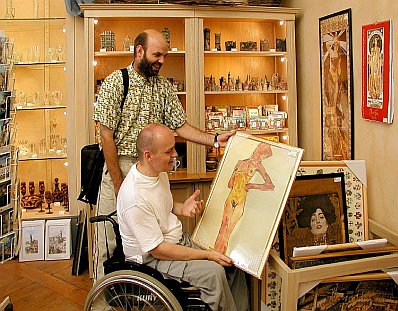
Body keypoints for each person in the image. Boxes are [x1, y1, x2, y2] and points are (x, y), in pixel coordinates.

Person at [93, 29, 235, 279]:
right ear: (139, 51)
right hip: (120, 164)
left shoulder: (164, 87)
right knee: (108, 242)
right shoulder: (116, 82)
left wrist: (213, 140)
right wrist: (118, 184)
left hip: (153, 170)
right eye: (157, 54)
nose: (161, 60)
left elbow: (181, 126)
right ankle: (103, 299)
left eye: (165, 56)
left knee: (154, 234)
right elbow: (106, 136)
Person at [117, 124, 249, 311]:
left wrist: (181, 207)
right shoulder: (134, 197)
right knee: (215, 272)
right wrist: (207, 255)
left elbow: (162, 206)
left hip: (177, 242)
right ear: (148, 155)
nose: (175, 155)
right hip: (153, 258)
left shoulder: (156, 173)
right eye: (169, 151)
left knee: (231, 260)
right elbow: (158, 251)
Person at [214, 143, 275, 254]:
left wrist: (252, 185)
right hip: (232, 197)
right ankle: (215, 254)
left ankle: (221, 255)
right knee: (223, 226)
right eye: (258, 149)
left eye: (261, 151)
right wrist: (236, 177)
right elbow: (229, 184)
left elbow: (270, 186)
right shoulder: (240, 162)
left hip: (241, 199)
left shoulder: (259, 166)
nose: (258, 152)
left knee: (228, 231)